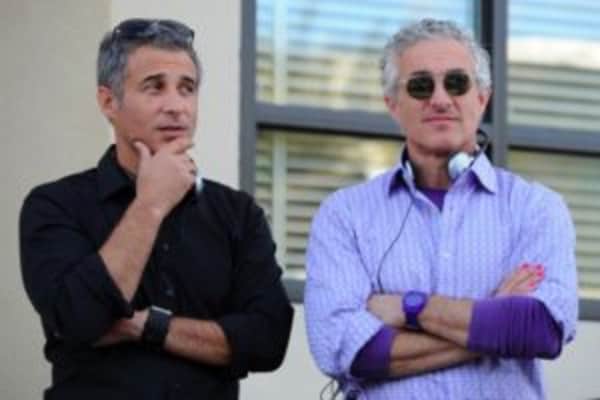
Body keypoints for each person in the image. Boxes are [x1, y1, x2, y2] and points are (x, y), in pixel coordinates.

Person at [19, 18, 293, 400]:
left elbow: (267, 340)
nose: (176, 106)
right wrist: (150, 204)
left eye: (187, 88)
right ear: (108, 102)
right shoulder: (55, 205)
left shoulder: (238, 213)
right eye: (154, 87)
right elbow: (79, 319)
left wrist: (144, 325)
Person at [305, 18, 577, 399]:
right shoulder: (344, 215)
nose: (440, 99)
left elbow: (538, 329)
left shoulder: (536, 208)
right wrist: (492, 316)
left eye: (456, 82)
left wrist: (409, 308)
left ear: (482, 98)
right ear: (392, 104)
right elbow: (349, 350)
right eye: (420, 85)